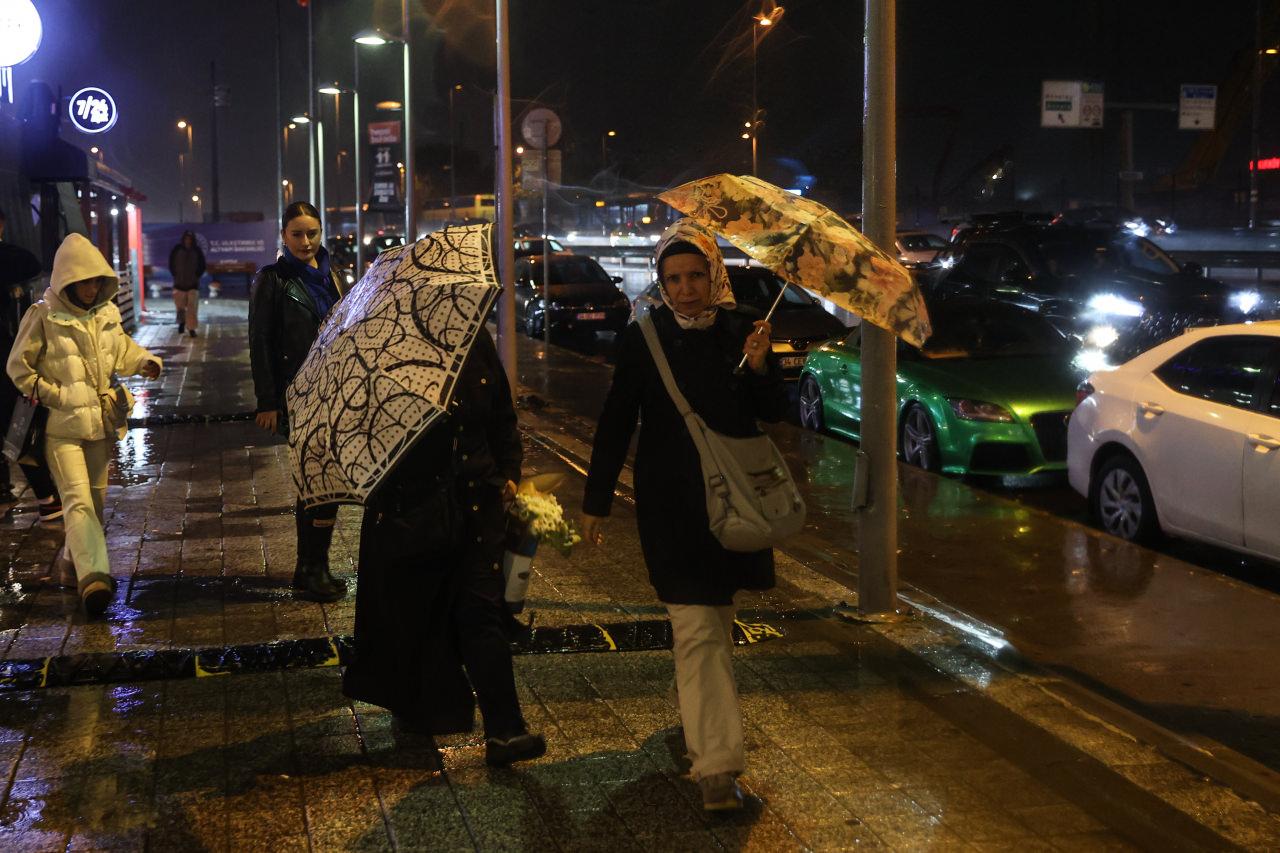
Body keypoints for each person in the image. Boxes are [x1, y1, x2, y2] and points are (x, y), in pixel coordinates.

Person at [580, 220, 786, 811]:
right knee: (698, 628)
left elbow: (772, 413)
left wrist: (762, 365)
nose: (687, 289)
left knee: (713, 623)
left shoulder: (745, 329)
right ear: (661, 281)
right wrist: (596, 502)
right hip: (670, 506)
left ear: (714, 274)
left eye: (697, 275)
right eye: (674, 278)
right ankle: (716, 767)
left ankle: (697, 716)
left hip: (735, 504)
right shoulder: (643, 337)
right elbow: (617, 420)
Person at [343, 327, 546, 767]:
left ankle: (505, 731)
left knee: (481, 612)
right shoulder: (386, 347)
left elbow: (501, 418)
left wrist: (509, 470)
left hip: (477, 506)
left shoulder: (477, 343)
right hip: (416, 512)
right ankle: (417, 709)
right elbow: (368, 435)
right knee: (417, 610)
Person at [7, 233, 162, 615]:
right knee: (77, 501)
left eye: (97, 281)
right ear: (67, 281)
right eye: (85, 282)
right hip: (61, 430)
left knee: (93, 502)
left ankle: (68, 564)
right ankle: (94, 578)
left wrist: (145, 361)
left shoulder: (107, 314)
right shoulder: (42, 316)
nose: (92, 289)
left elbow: (123, 351)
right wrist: (55, 395)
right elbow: (17, 368)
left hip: (100, 425)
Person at [248, 202, 348, 602]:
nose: (306, 242)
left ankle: (314, 566)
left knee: (328, 481)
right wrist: (267, 401)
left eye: (312, 233)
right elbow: (260, 343)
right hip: (299, 393)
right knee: (317, 480)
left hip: (335, 391)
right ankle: (310, 570)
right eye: (297, 234)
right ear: (283, 236)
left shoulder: (335, 276)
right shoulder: (272, 280)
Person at [0, 208, 62, 523]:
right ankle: (45, 496)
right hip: (12, 358)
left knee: (17, 429)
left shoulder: (14, 261)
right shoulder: (16, 261)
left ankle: (43, 495)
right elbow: (32, 265)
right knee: (18, 429)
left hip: (10, 361)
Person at [167, 230, 205, 337]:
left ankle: (191, 328)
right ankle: (181, 323)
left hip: (193, 284)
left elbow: (202, 265)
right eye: (186, 239)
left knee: (192, 307)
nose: (188, 241)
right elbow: (171, 263)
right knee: (180, 307)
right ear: (183, 239)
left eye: (190, 239)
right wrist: (175, 274)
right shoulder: (177, 250)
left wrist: (196, 275)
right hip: (179, 284)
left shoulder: (197, 251)